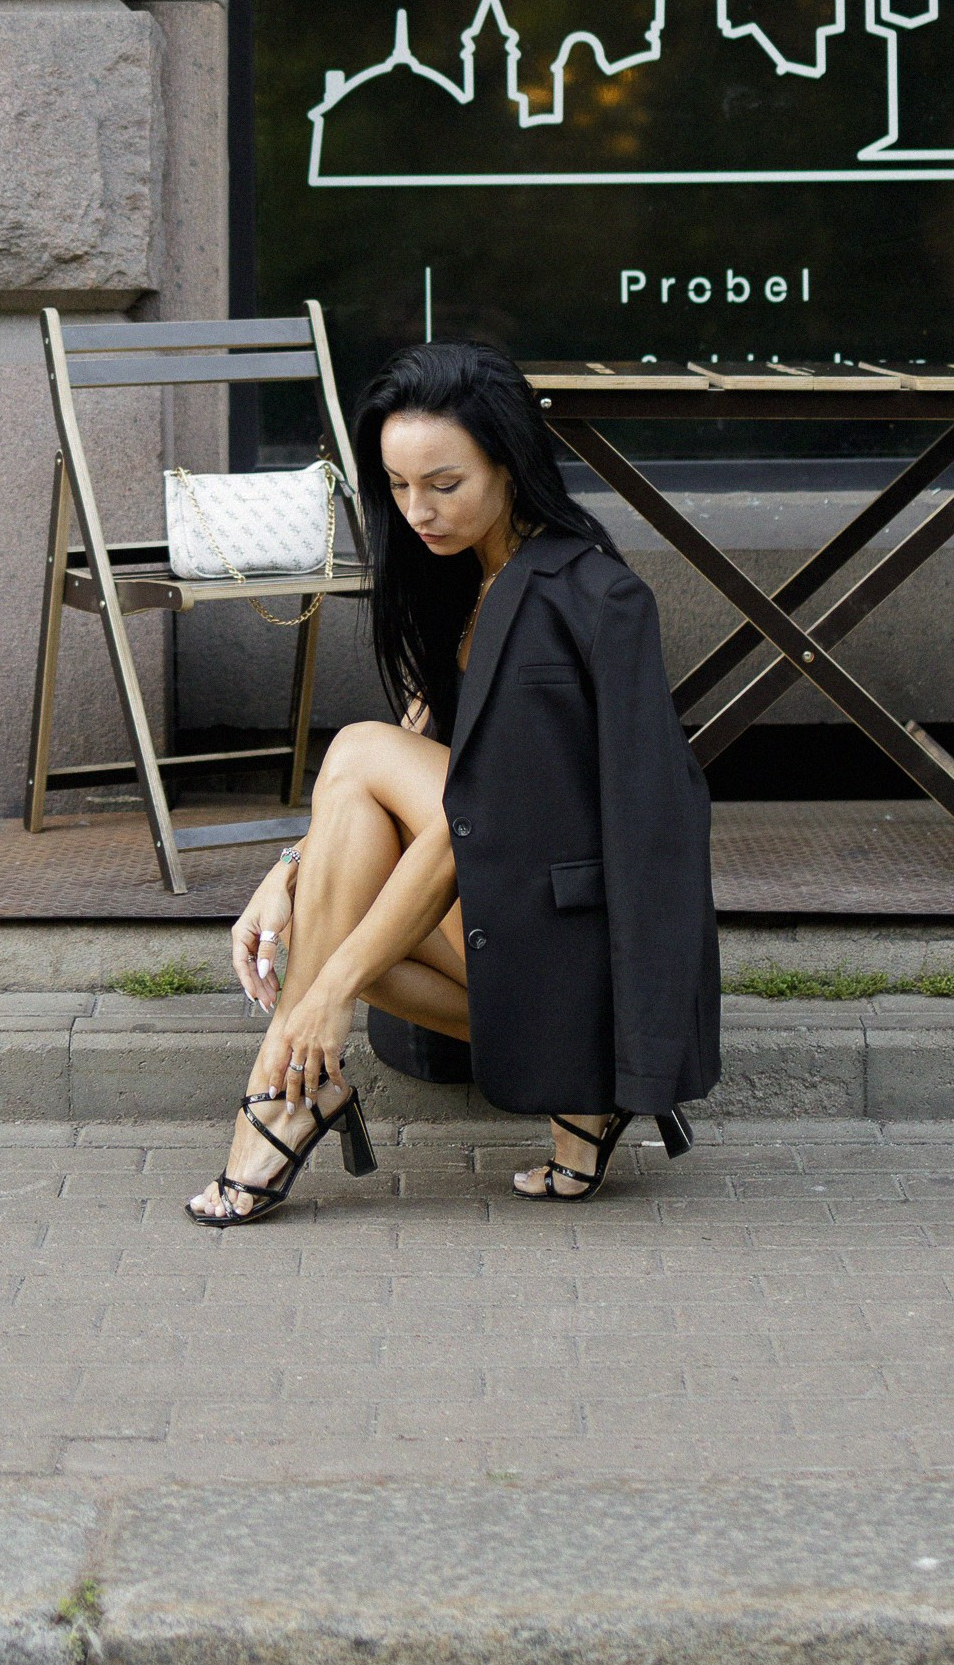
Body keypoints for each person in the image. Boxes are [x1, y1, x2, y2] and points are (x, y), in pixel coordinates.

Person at [185, 338, 720, 1226]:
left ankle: (284, 1095)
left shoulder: (585, 595)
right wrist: (289, 873)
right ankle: (554, 1093)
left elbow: (474, 820)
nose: (418, 510)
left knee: (355, 757)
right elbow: (425, 772)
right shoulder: (464, 584)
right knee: (352, 834)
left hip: (579, 942)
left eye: (444, 484)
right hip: (513, 927)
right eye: (397, 487)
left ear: (508, 465)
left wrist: (320, 998)